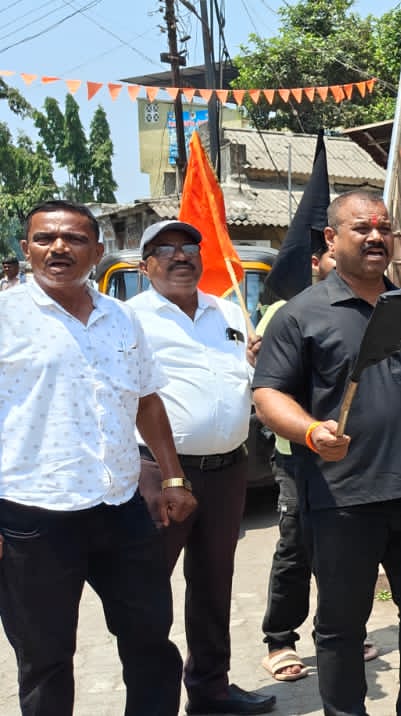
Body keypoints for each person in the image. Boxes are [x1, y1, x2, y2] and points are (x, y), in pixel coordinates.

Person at [250, 191, 401, 716]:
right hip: (341, 500)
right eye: (362, 228)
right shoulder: (301, 315)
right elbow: (268, 395)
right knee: (341, 626)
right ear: (332, 239)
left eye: (384, 228)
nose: (376, 236)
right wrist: (311, 431)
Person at [0, 200, 195, 716]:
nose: (58, 248)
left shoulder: (121, 318)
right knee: (45, 660)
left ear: (98, 251)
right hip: (33, 517)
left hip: (120, 508)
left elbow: (147, 400)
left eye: (74, 239)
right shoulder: (5, 317)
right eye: (44, 238)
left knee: (151, 641)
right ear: (26, 249)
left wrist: (173, 477)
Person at [127, 220, 275, 715]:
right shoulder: (129, 318)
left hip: (228, 470)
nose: (180, 256)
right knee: (148, 590)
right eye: (165, 249)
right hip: (158, 474)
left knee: (214, 584)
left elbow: (245, 381)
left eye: (189, 246)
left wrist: (258, 360)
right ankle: (152, 701)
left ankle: (211, 691)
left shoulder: (227, 311)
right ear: (145, 265)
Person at [255, 245, 376, 681]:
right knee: (296, 547)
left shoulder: (371, 308)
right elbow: (267, 381)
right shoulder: (284, 313)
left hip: (353, 456)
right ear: (319, 258)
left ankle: (343, 630)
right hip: (298, 457)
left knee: (345, 549)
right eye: (330, 254)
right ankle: (281, 639)